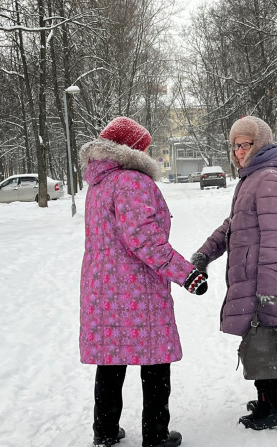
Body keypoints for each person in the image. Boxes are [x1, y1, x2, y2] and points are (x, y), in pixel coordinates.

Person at [78, 116, 208, 447]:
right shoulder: (132, 183)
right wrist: (187, 274)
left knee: (111, 359)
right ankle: (155, 434)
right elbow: (145, 240)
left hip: (101, 289)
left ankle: (104, 431)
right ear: (134, 149)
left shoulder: (98, 185)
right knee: (154, 360)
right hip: (137, 291)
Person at [190, 115, 277, 430]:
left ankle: (272, 409)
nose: (237, 151)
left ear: (258, 144)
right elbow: (232, 226)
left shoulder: (269, 179)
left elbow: (276, 240)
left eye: (244, 145)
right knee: (262, 334)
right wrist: (204, 253)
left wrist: (267, 288)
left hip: (264, 277)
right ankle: (273, 400)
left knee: (266, 334)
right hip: (253, 275)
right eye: (235, 146)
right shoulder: (252, 179)